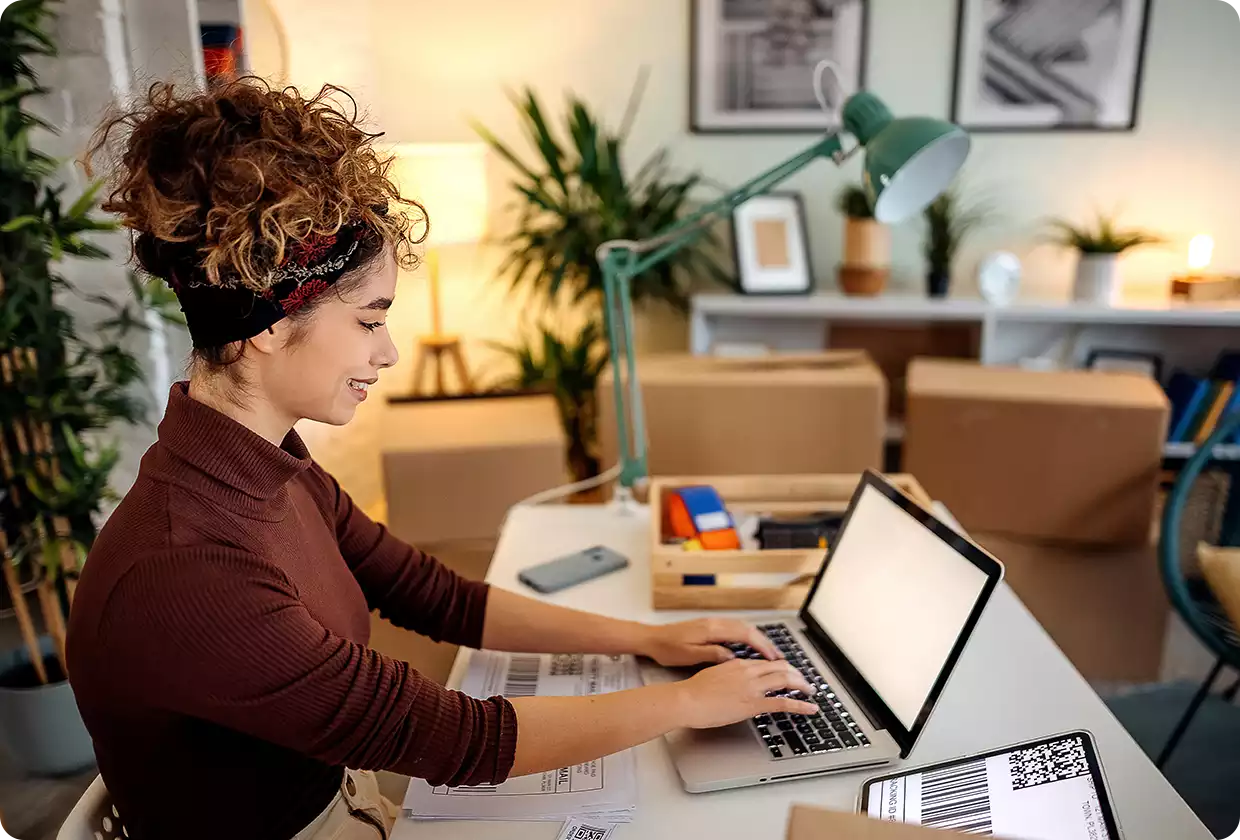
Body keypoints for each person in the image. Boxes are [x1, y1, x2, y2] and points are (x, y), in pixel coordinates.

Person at [66, 79, 817, 840]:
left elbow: (435, 596)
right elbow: (457, 740)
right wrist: (689, 703)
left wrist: (647, 640)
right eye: (369, 322)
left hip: (351, 800)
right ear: (268, 323)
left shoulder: (264, 469)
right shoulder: (188, 566)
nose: (387, 352)